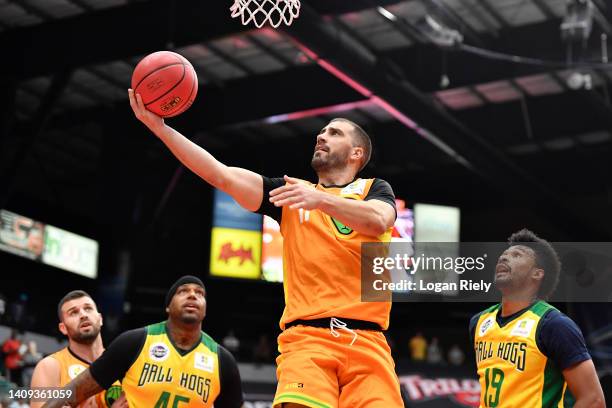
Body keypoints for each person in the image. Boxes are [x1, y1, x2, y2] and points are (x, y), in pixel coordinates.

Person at [125, 89, 402, 408]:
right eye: (321, 132)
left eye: (334, 133)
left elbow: (379, 222)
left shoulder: (374, 189)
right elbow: (221, 174)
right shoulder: (291, 195)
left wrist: (322, 200)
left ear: (356, 153)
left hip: (369, 343)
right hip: (308, 341)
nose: (321, 137)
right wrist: (160, 128)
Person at [41, 276, 243, 408]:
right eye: (183, 291)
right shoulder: (134, 342)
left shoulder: (222, 361)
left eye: (199, 293)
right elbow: (74, 391)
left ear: (205, 309)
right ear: (168, 307)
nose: (192, 294)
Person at [469, 229, 605, 407]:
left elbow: (593, 400)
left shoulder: (554, 325)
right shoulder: (479, 322)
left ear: (537, 274)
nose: (503, 258)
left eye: (517, 255)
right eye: (503, 255)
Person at [30, 290, 124, 408]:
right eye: (73, 312)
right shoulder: (50, 366)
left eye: (88, 308)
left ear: (100, 319)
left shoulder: (122, 364)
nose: (83, 315)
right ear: (63, 328)